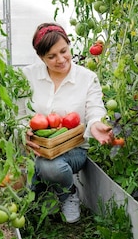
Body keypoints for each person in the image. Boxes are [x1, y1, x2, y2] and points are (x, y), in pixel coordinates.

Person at [18, 22, 113, 223]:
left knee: (50, 167)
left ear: (69, 45)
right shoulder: (27, 76)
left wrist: (96, 124)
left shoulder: (87, 78)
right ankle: (42, 186)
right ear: (41, 57)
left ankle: (68, 193)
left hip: (73, 150)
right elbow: (17, 114)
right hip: (36, 148)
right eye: (51, 57)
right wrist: (22, 131)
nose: (61, 60)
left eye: (64, 51)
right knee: (30, 198)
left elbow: (96, 109)